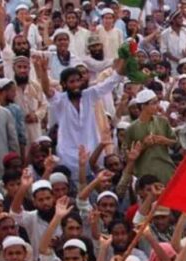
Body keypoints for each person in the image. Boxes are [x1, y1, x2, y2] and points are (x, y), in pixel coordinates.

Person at [32, 52, 125, 181]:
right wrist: (42, 71)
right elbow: (47, 90)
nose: (76, 85)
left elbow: (112, 81)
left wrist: (126, 60)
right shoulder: (60, 100)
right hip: (67, 156)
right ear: (64, 84)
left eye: (78, 81)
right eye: (72, 82)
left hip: (93, 153)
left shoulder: (89, 95)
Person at [124, 89, 177, 183]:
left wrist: (164, 140)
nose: (158, 106)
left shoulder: (163, 122)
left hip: (166, 170)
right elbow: (127, 156)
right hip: (144, 173)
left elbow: (176, 144)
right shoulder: (131, 129)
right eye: (154, 103)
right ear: (143, 106)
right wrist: (143, 145)